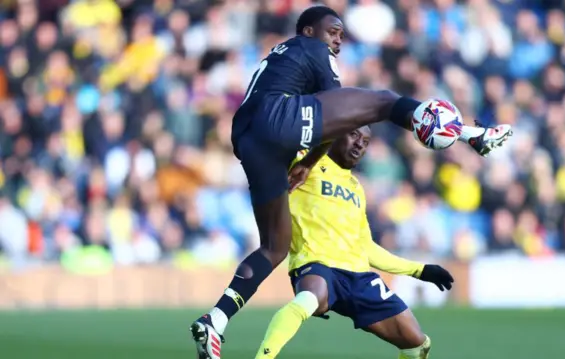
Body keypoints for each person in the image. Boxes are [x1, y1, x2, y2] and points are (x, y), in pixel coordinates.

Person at [191, 6, 511, 359]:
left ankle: (216, 320)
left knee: (274, 248)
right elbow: (341, 113)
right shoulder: (312, 49)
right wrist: (312, 162)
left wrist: (306, 163)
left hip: (248, 139)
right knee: (385, 102)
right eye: (333, 31)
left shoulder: (281, 59)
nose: (339, 38)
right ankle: (471, 134)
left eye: (342, 34)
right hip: (278, 116)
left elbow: (330, 122)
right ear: (309, 31)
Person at [253, 125, 453, 359]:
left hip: (359, 276)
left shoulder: (356, 188)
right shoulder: (305, 164)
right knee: (309, 298)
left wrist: (419, 270)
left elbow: (366, 247)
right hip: (317, 263)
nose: (360, 144)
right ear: (334, 136)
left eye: (366, 142)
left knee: (417, 345)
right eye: (354, 135)